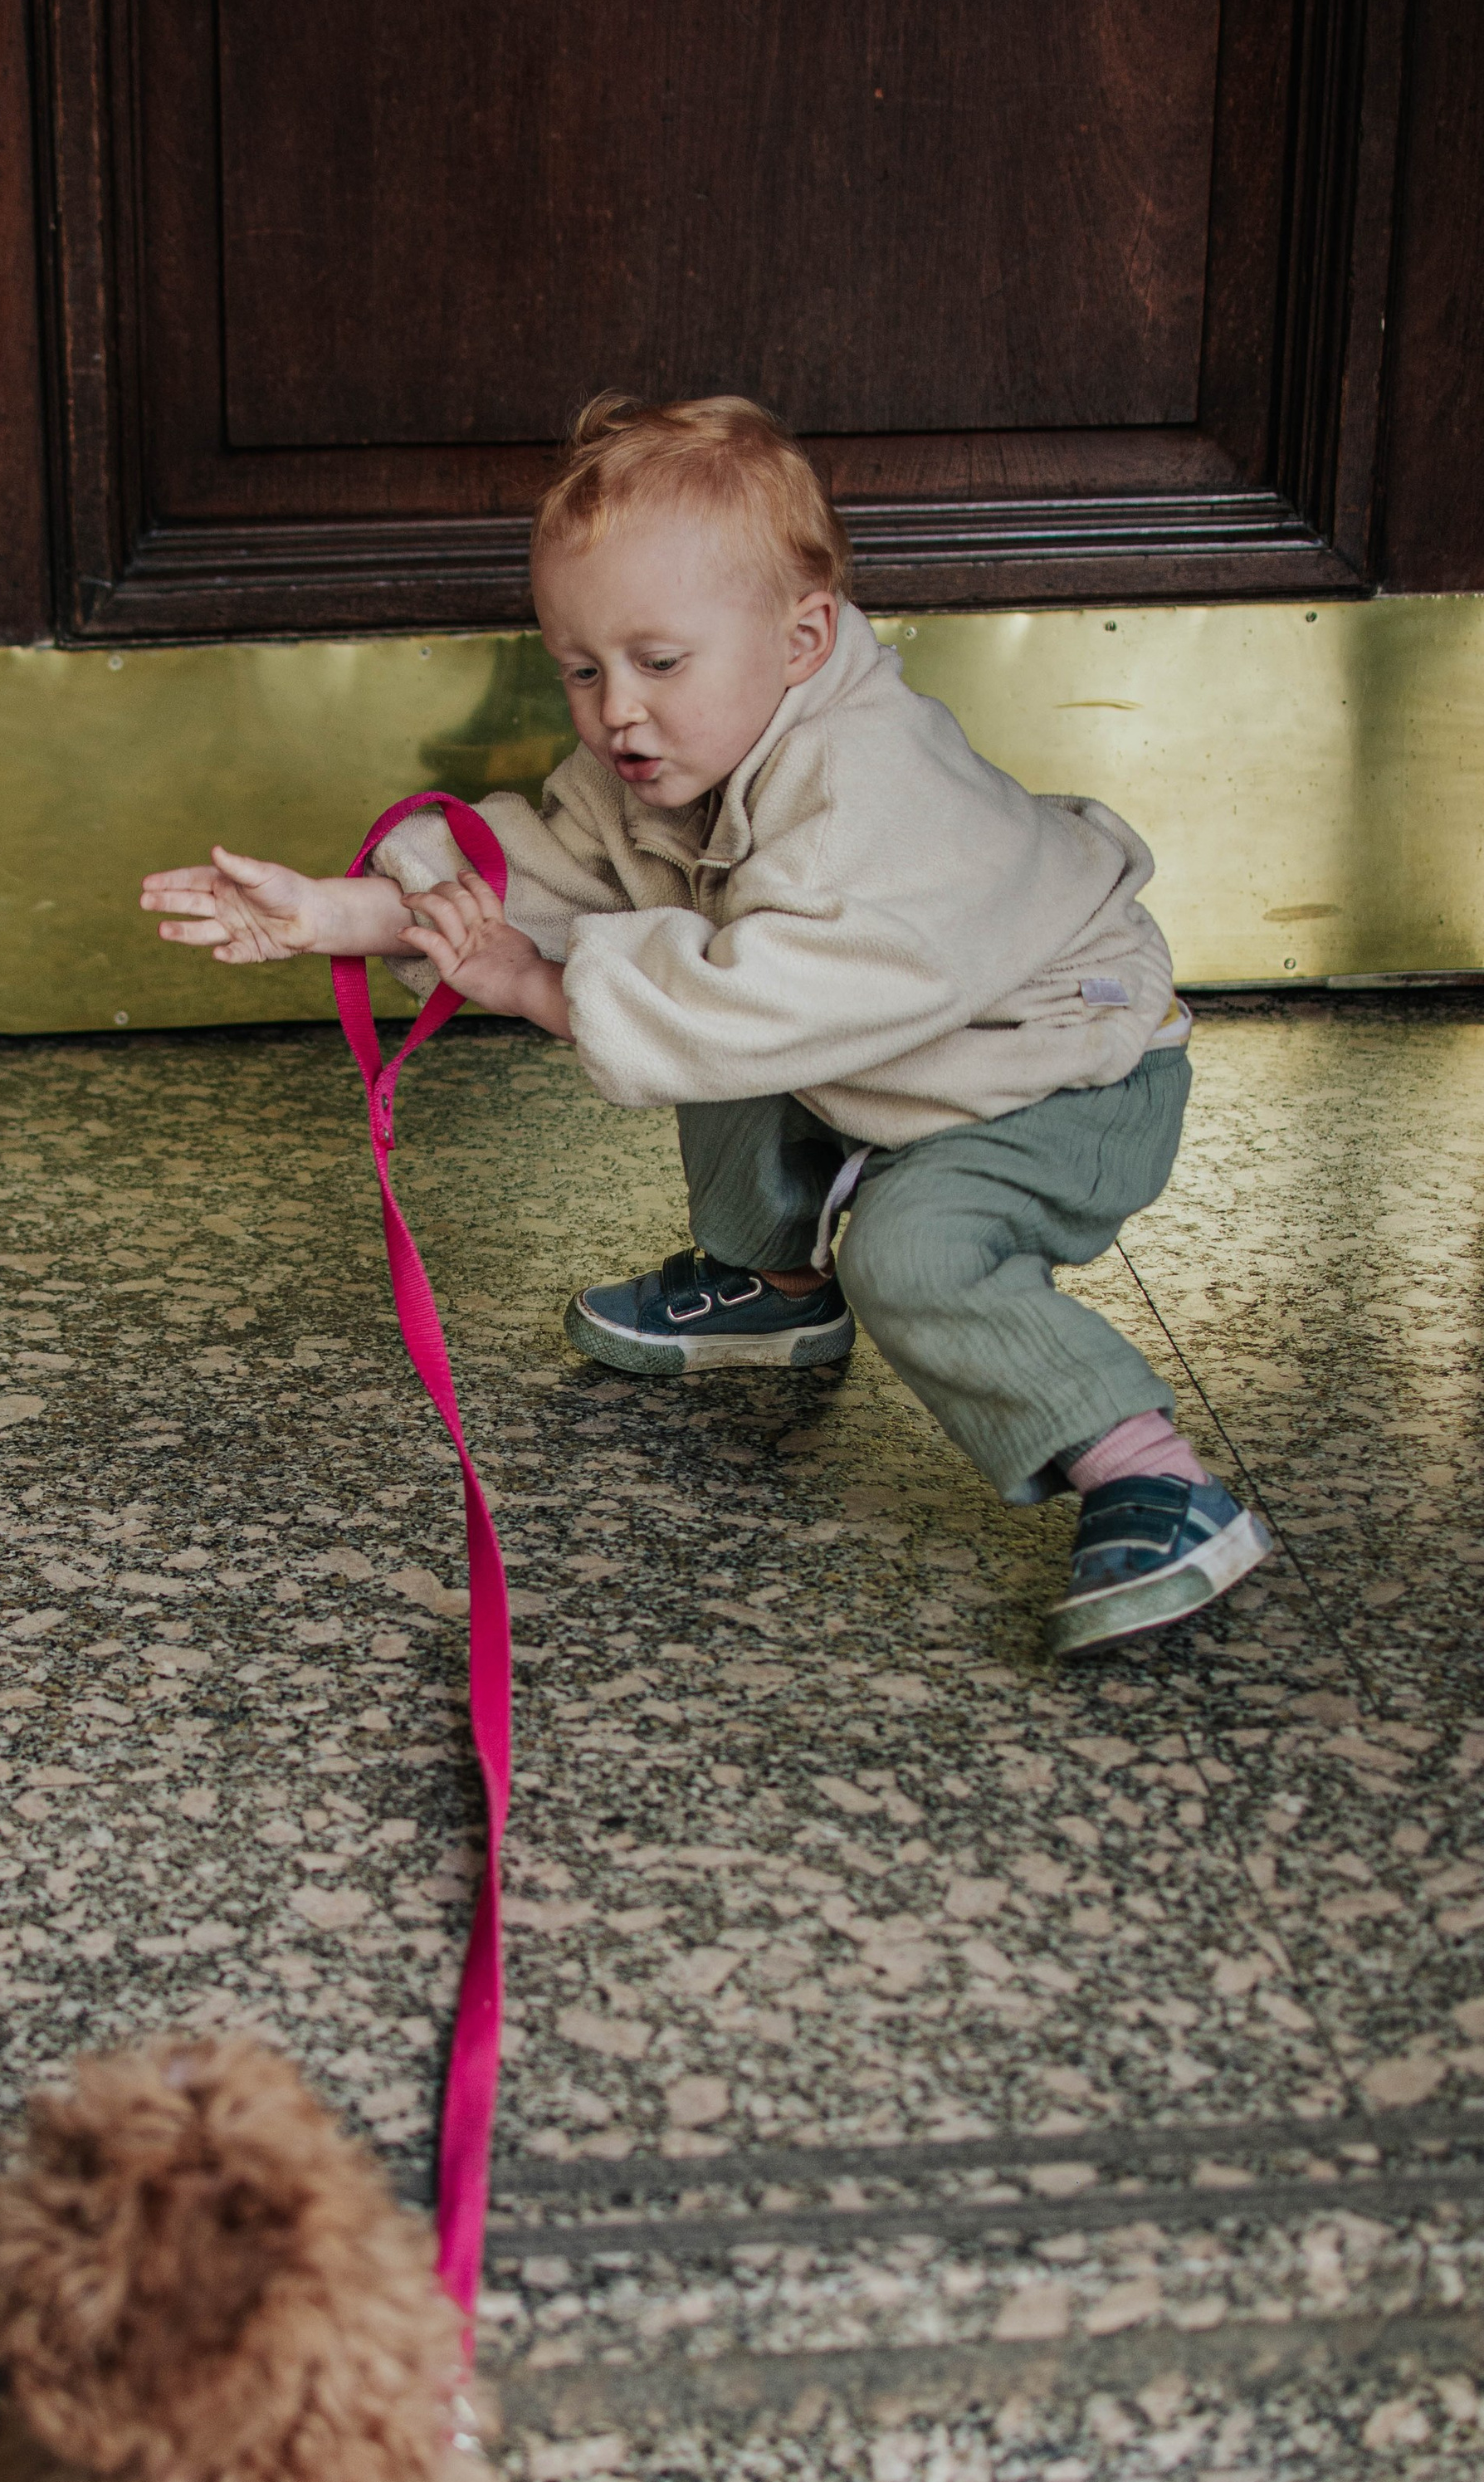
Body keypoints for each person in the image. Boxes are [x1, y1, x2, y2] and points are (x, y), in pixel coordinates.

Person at [139, 393, 1271, 1659]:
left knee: (910, 1242)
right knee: (673, 962)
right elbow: (541, 870)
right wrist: (330, 911)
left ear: (802, 638)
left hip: (1052, 1075)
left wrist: (534, 987)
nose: (616, 708)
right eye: (581, 668)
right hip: (886, 1058)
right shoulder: (677, 760)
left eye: (658, 663)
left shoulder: (867, 788)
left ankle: (1150, 1475)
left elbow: (746, 998)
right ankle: (775, 1283)